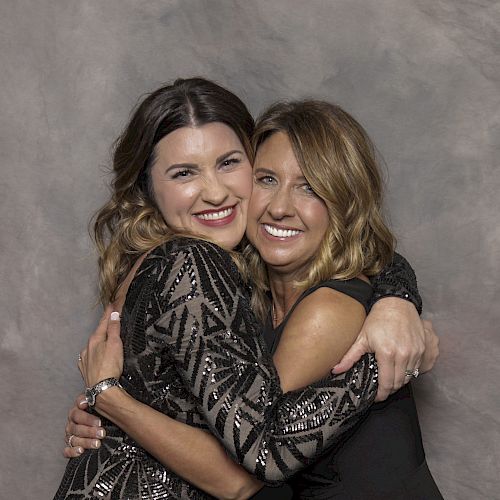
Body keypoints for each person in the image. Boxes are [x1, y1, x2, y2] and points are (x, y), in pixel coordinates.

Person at [56, 78, 437, 499]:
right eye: (268, 179)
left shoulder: (205, 272)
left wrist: (399, 301)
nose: (216, 192)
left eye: (229, 163)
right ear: (147, 187)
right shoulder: (199, 267)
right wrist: (107, 400)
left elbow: (255, 458)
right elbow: (260, 455)